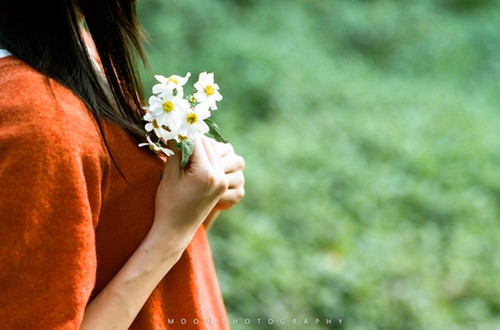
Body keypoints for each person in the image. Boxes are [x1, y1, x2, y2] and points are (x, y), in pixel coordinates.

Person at [0, 0, 245, 329]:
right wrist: (172, 233)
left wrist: (200, 202)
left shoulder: (73, 52)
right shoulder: (45, 125)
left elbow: (106, 252)